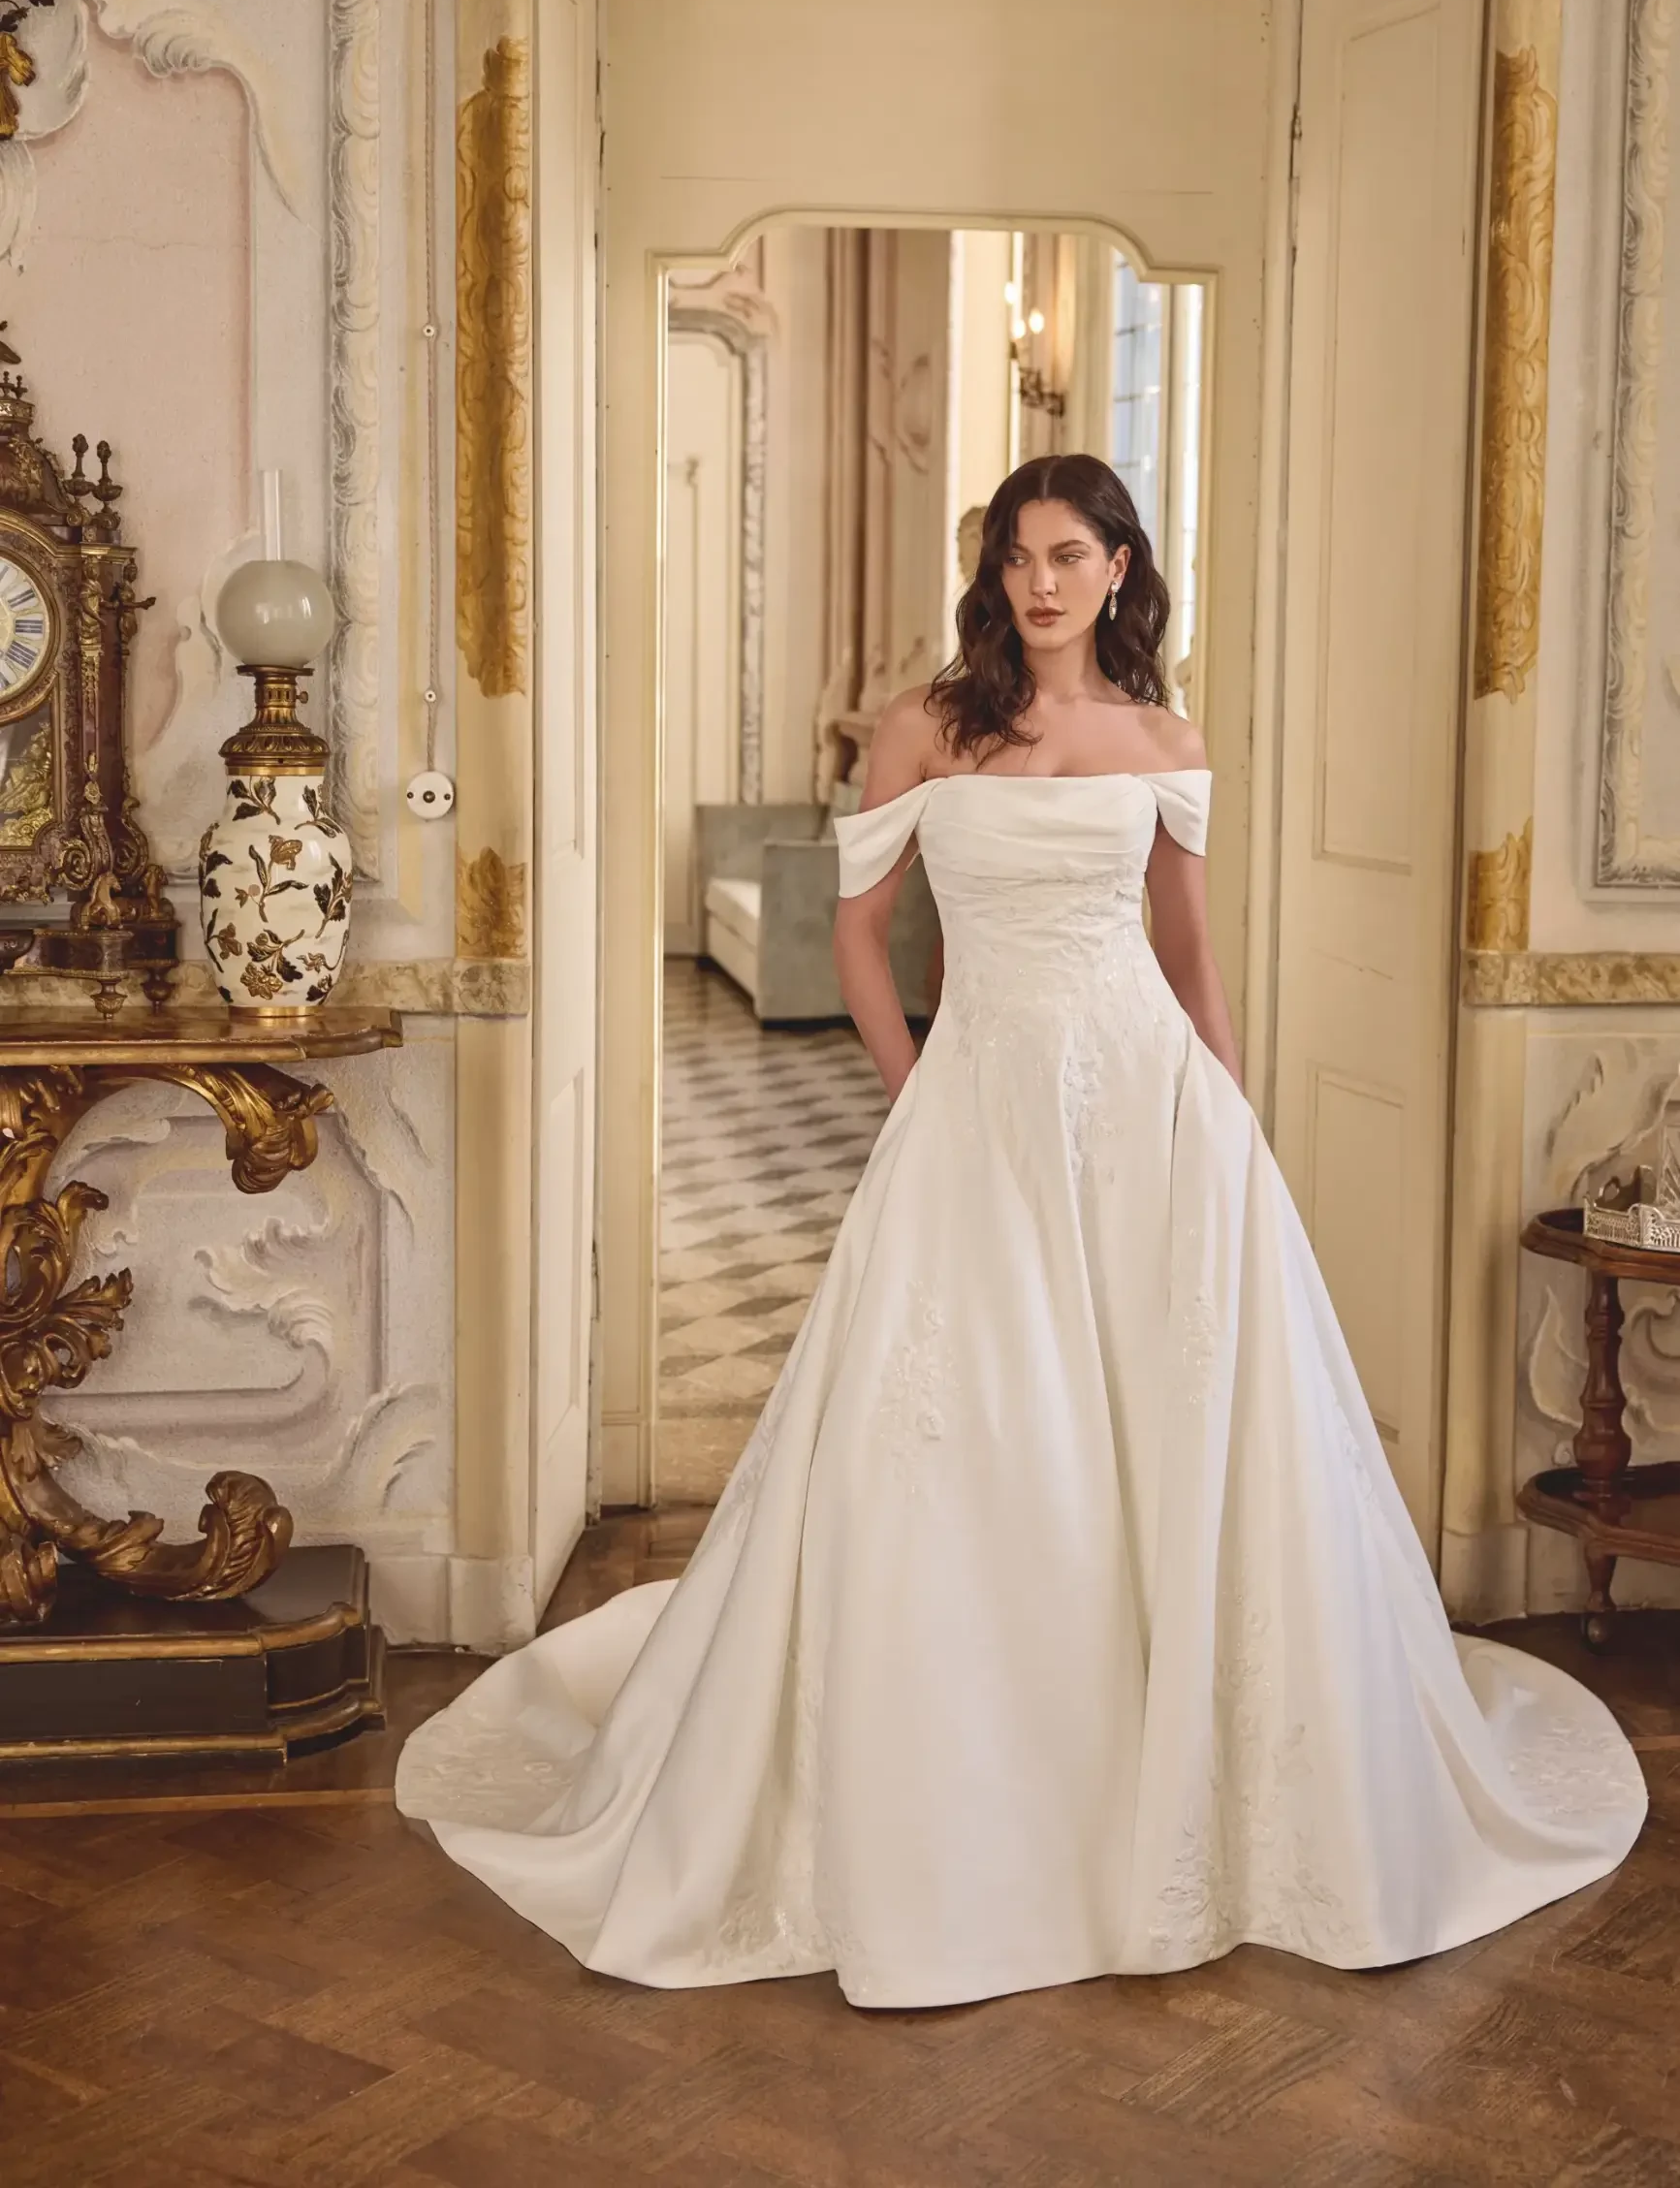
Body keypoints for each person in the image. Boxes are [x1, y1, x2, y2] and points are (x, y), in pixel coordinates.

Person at [396, 453, 1646, 2009]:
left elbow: (1189, 957)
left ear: (1122, 567)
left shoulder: (1166, 740)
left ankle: (1178, 1772)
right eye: (1014, 558)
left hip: (1150, 1116)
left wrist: (1232, 1131)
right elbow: (863, 935)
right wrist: (916, 1086)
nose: (1039, 583)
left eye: (1069, 554)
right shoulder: (932, 726)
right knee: (972, 1433)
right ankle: (983, 1796)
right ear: (991, 576)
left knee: (1172, 1430)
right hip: (976, 1106)